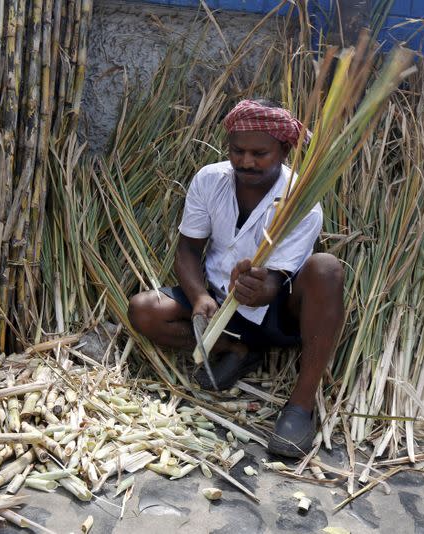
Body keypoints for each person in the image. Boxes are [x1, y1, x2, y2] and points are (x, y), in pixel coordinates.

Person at [127, 99, 345, 458]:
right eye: (237, 151)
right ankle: (236, 350)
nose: (246, 161)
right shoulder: (210, 180)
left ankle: (300, 407)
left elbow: (276, 282)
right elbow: (187, 252)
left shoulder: (300, 201)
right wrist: (199, 297)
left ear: (284, 149)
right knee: (144, 310)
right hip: (217, 304)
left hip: (275, 312)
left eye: (259, 153)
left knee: (326, 269)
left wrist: (264, 288)